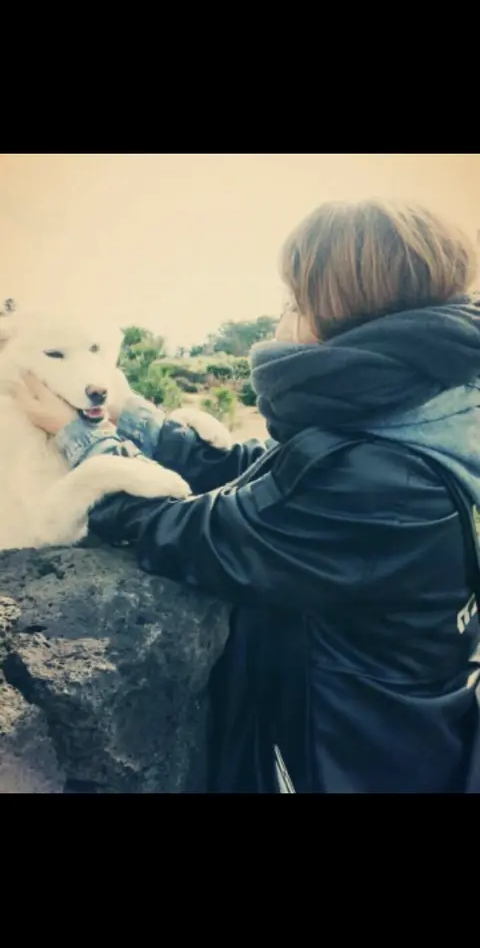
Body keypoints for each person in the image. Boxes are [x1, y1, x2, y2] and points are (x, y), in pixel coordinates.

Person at [17, 199, 480, 793]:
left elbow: (194, 534)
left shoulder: (382, 481)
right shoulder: (410, 416)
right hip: (403, 742)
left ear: (340, 308)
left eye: (294, 299)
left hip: (340, 764)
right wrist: (131, 419)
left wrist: (83, 438)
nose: (280, 318)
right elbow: (260, 472)